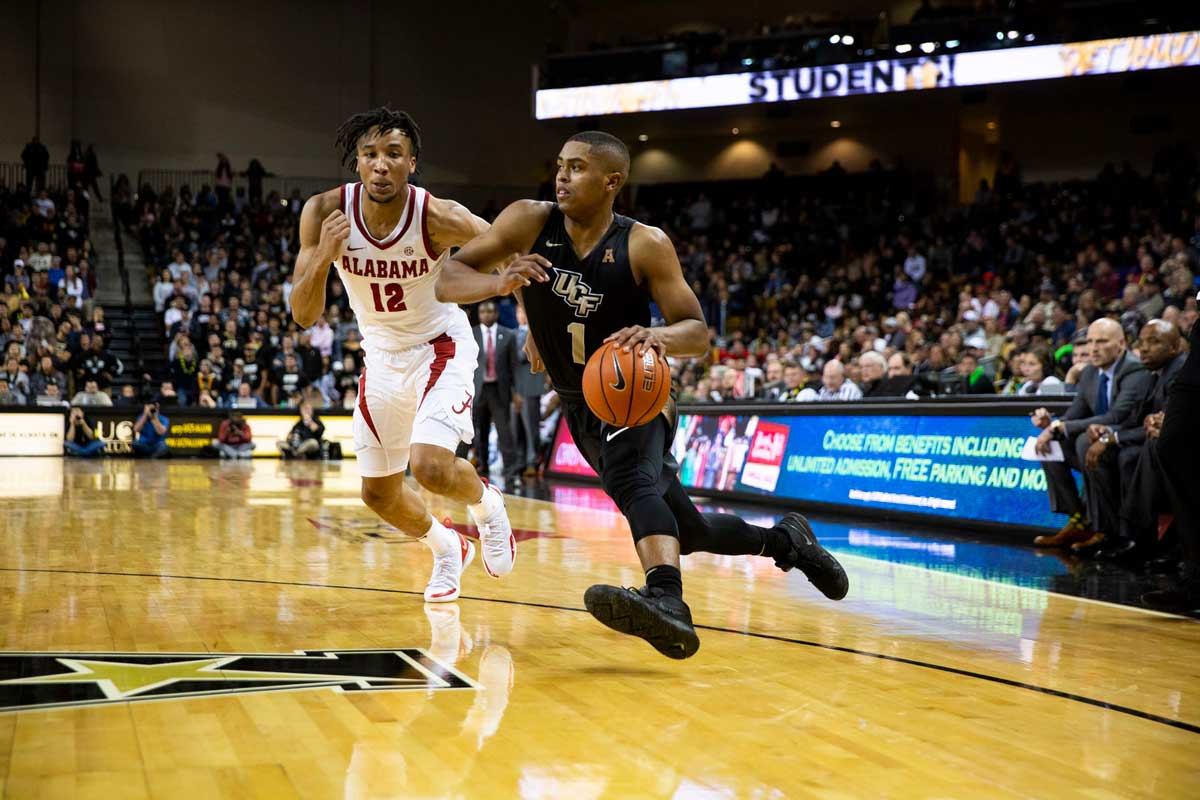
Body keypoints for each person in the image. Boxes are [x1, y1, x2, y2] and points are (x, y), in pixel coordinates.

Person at [436, 130, 847, 660]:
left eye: (578, 168)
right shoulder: (529, 221)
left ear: (613, 181)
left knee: (632, 481)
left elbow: (697, 332)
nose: (562, 176)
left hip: (636, 390)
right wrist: (500, 284)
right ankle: (788, 542)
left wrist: (658, 336)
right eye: (560, 166)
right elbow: (448, 276)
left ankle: (667, 599)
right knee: (687, 529)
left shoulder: (644, 243)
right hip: (578, 402)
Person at [287, 107, 515, 602]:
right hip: (382, 356)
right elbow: (304, 314)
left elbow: (509, 249)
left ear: (412, 163)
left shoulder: (440, 216)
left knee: (431, 467)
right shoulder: (323, 212)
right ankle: (448, 547)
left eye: (394, 154)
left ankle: (487, 505)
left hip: (441, 346)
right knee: (378, 494)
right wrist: (324, 258)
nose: (381, 165)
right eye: (370, 154)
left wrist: (531, 318)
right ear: (357, 162)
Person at [1031, 318, 1151, 552]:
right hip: (1098, 440)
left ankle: (1106, 530)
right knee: (1049, 446)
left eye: (1102, 341)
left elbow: (1115, 418)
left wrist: (1061, 428)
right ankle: (1079, 520)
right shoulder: (1089, 373)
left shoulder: (1135, 370)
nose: (1093, 348)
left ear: (1121, 344)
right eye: (1090, 341)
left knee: (1084, 441)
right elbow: (1074, 414)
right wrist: (1052, 425)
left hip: (1126, 440)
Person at [1083, 320, 1186, 561]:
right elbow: (1136, 420)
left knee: (1129, 457)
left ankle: (1139, 538)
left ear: (1174, 347)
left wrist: (1112, 437)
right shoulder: (1155, 373)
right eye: (1142, 342)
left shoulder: (1179, 371)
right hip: (1157, 445)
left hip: (1180, 451)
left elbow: (1171, 424)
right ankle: (1114, 532)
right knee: (1099, 450)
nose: (1145, 348)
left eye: (1154, 342)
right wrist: (1107, 430)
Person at [471, 301, 519, 478]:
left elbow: (513, 366)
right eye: (482, 311)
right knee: (479, 429)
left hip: (499, 389)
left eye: (490, 311)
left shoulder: (508, 334)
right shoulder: (472, 334)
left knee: (504, 430)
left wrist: (516, 393)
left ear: (496, 314)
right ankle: (482, 464)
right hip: (479, 388)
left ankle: (511, 468)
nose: (486, 314)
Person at [513, 304, 545, 477]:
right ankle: (520, 462)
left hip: (531, 387)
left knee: (531, 428)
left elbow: (520, 356)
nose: (521, 315)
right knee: (516, 428)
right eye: (518, 312)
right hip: (514, 388)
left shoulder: (536, 334)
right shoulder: (511, 334)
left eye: (524, 312)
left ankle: (533, 462)